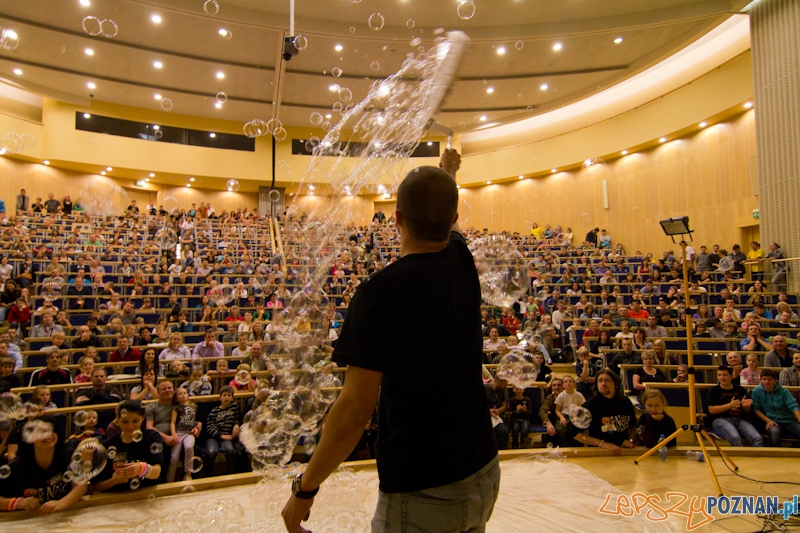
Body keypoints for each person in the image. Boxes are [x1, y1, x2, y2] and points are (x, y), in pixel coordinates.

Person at [282, 153, 499, 533]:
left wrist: (305, 488)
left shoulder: (378, 294)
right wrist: (448, 173)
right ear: (453, 221)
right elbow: (443, 209)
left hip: (421, 487)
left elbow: (354, 410)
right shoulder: (462, 258)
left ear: (395, 218)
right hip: (484, 470)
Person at [0, 415, 87, 514]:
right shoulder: (16, 467)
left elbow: (81, 485)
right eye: (42, 432)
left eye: (52, 431)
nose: (48, 435)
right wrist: (17, 503)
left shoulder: (68, 457)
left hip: (63, 517)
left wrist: (61, 503)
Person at [93, 400, 164, 492]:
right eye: (125, 422)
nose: (130, 426)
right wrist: (114, 481)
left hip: (145, 494)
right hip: (116, 498)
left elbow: (156, 472)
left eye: (135, 421)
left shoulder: (152, 437)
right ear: (117, 420)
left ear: (143, 418)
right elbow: (95, 487)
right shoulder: (107, 445)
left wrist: (141, 468)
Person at [572, 369, 637, 454]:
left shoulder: (625, 402)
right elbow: (574, 433)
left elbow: (633, 426)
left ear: (616, 384)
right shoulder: (589, 405)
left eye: (607, 380)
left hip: (622, 450)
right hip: (599, 451)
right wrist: (602, 444)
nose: (603, 384)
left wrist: (630, 440)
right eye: (600, 381)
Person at [706, 366, 762, 447]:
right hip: (720, 420)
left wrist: (745, 406)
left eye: (724, 375)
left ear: (731, 376)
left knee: (757, 438)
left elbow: (747, 410)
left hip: (740, 420)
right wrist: (730, 405)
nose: (722, 377)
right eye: (719, 375)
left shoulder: (740, 389)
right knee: (735, 438)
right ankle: (741, 459)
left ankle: (758, 458)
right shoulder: (714, 390)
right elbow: (712, 410)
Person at [750, 369, 800, 446]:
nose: (767, 382)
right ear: (760, 380)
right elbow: (756, 409)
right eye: (764, 379)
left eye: (769, 379)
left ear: (775, 380)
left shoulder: (784, 391)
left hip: (789, 421)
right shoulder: (756, 392)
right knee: (774, 433)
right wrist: (768, 421)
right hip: (772, 422)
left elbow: (793, 406)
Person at [203, 385, 242, 475]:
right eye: (224, 395)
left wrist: (236, 426)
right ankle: (208, 475)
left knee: (230, 450)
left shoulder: (234, 407)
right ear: (220, 397)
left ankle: (231, 474)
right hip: (213, 437)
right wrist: (221, 435)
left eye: (229, 395)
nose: (226, 397)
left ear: (232, 398)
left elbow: (237, 419)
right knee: (211, 452)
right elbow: (209, 427)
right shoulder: (214, 411)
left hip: (228, 436)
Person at [167, 387, 201, 482]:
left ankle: (188, 474)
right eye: (180, 393)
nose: (183, 394)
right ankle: (169, 480)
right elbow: (173, 423)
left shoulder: (194, 406)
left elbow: (195, 421)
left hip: (189, 433)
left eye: (185, 393)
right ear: (176, 398)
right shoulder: (176, 408)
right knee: (174, 458)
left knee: (189, 447)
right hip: (179, 432)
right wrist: (173, 434)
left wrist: (197, 427)